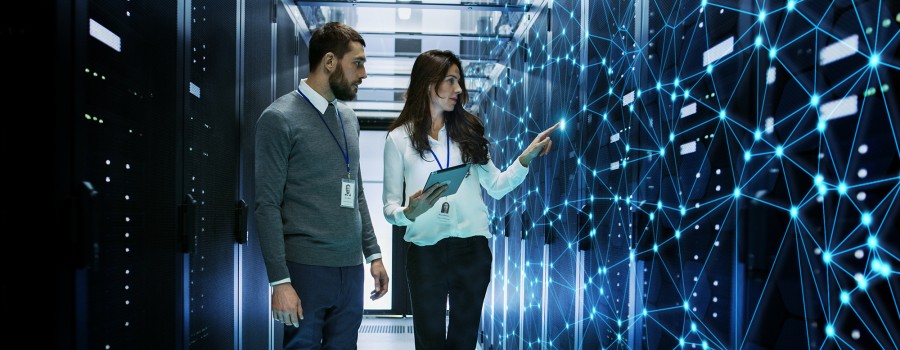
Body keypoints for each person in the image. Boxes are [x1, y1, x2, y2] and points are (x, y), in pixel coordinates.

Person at [382, 49, 557, 350]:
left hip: (472, 251)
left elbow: (497, 186)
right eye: (450, 81)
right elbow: (389, 208)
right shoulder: (399, 139)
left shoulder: (467, 132)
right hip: (425, 254)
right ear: (428, 83)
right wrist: (409, 212)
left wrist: (524, 160)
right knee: (430, 342)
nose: (459, 89)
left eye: (459, 81)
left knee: (464, 342)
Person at [254, 22, 389, 349]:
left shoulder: (349, 119)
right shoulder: (279, 118)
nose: (364, 73)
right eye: (357, 63)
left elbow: (355, 192)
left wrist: (373, 254)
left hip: (351, 269)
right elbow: (266, 205)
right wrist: (280, 281)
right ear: (330, 62)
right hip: (305, 271)